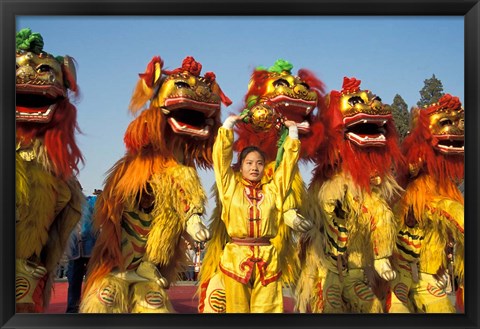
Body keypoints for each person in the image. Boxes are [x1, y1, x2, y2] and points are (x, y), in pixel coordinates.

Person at [212, 114, 301, 313]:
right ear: (241, 166)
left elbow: (287, 168)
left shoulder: (272, 190)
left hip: (267, 259)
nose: (254, 167)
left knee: (268, 311)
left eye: (259, 163)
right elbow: (220, 161)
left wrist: (293, 132)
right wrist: (229, 125)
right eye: (249, 163)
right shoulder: (229, 188)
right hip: (236, 258)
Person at [65, 189, 101, 313]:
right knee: (74, 282)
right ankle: (72, 310)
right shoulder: (67, 206)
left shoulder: (91, 201)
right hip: (74, 251)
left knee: (92, 282)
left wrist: (102, 196)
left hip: (90, 249)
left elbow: (102, 206)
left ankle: (91, 308)